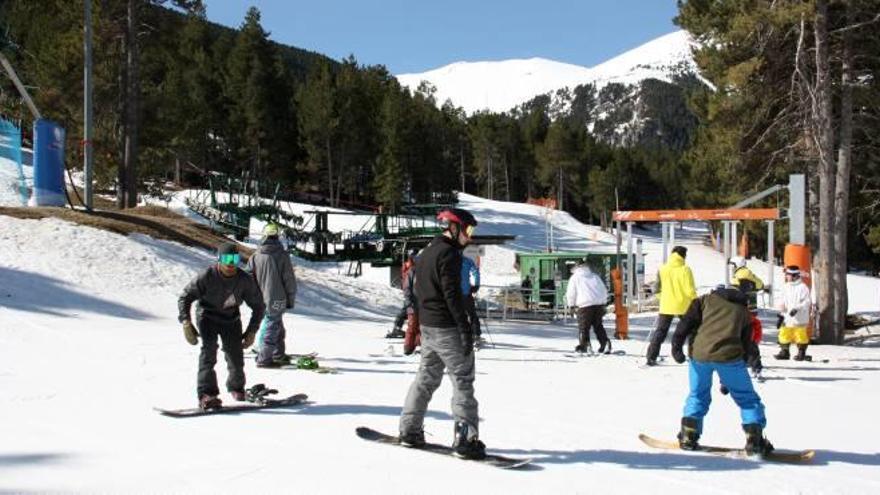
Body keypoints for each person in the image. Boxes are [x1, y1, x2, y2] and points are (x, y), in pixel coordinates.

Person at [399, 207, 485, 460]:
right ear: (455, 227)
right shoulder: (449, 254)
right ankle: (465, 440)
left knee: (426, 378)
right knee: (463, 380)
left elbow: (416, 290)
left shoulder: (427, 252)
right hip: (447, 328)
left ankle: (409, 430)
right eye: (468, 230)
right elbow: (451, 294)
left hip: (429, 328)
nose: (470, 236)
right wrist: (464, 327)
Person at [670, 285, 773, 456]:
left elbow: (685, 323)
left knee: (697, 394)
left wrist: (676, 347)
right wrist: (729, 379)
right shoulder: (743, 312)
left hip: (699, 356)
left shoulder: (703, 301)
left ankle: (689, 434)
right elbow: (747, 344)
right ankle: (754, 440)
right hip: (730, 359)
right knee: (747, 398)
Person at [178, 242, 265, 410]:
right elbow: (185, 297)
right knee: (208, 352)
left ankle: (237, 388)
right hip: (207, 317)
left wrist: (252, 331)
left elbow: (259, 306)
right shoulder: (207, 276)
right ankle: (207, 394)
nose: (231, 264)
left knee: (235, 355)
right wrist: (186, 322)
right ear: (219, 259)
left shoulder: (244, 280)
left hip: (231, 319)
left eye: (235, 259)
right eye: (226, 259)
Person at [248, 223, 298, 368]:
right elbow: (289, 280)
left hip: (260, 297)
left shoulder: (255, 255)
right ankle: (264, 358)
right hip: (276, 298)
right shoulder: (281, 255)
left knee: (276, 323)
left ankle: (277, 353)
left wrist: (253, 296)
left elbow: (248, 276)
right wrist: (290, 299)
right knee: (272, 324)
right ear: (277, 236)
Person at [646, 246, 697, 366]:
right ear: (683, 255)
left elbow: (656, 288)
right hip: (683, 305)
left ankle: (651, 356)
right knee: (691, 331)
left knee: (661, 331)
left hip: (666, 304)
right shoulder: (685, 269)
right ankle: (694, 356)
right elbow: (689, 290)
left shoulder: (663, 268)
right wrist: (696, 301)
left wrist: (662, 297)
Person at [565, 258, 611, 354]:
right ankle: (605, 343)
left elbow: (571, 293)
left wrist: (571, 305)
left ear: (576, 267)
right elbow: (603, 290)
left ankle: (585, 345)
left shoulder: (575, 278)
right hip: (598, 305)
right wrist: (603, 302)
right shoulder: (595, 276)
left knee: (584, 327)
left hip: (584, 305)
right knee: (598, 326)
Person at [774, 266, 812, 361]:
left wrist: (797, 308)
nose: (786, 276)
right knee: (784, 333)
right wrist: (781, 311)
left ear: (794, 276)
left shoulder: (803, 287)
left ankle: (801, 352)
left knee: (800, 334)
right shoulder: (786, 286)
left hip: (799, 316)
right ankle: (784, 352)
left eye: (788, 275)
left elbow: (807, 301)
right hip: (787, 316)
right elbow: (782, 299)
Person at [387, 252, 417, 339]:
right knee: (408, 309)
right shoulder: (411, 267)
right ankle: (400, 329)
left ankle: (398, 328)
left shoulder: (408, 265)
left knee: (407, 310)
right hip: (411, 291)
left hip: (410, 290)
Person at [461, 254, 482, 347]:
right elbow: (475, 272)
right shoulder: (467, 261)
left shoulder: (449, 260)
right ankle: (476, 334)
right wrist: (476, 285)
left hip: (453, 294)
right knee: (472, 314)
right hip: (466, 293)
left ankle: (459, 335)